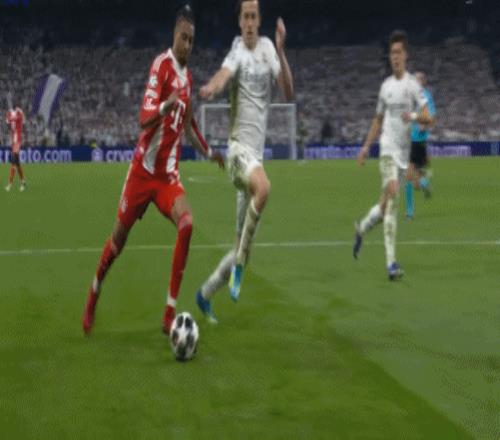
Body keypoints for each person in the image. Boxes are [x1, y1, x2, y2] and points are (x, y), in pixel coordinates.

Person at [82, 5, 224, 336]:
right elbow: (143, 119)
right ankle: (93, 295)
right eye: (183, 38)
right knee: (117, 243)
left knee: (187, 224)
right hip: (142, 173)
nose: (187, 45)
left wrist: (210, 151)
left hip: (167, 179)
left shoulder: (188, 79)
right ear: (174, 35)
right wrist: (165, 105)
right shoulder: (161, 66)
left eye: (191, 40)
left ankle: (169, 313)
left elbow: (189, 126)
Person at [195, 0, 294, 322]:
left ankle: (204, 294)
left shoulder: (268, 49)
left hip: (255, 158)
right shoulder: (237, 49)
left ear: (259, 20)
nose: (250, 22)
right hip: (238, 153)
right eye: (245, 17)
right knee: (264, 189)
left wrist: (281, 50)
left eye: (254, 16)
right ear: (239, 22)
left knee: (243, 247)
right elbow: (223, 75)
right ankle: (238, 266)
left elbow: (288, 94)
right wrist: (211, 88)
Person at [353, 30, 433, 280]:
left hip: (403, 153)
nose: (395, 57)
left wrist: (414, 116)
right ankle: (391, 264)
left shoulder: (413, 86)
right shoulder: (385, 87)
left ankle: (362, 228)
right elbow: (378, 120)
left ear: (406, 55)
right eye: (392, 53)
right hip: (387, 150)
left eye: (399, 52)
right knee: (394, 197)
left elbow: (429, 117)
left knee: (384, 204)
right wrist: (366, 147)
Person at [405, 71, 436, 218]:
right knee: (415, 181)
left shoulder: (426, 97)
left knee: (408, 176)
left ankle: (410, 212)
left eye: (416, 79)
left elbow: (430, 116)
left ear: (422, 82)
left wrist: (422, 125)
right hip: (409, 139)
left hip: (417, 141)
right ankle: (424, 184)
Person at [5, 104, 26, 192]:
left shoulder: (19, 112)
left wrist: (14, 116)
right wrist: (11, 117)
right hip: (14, 141)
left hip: (18, 140)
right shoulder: (10, 112)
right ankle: (23, 182)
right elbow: (7, 121)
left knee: (13, 161)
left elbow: (22, 120)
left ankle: (10, 184)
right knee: (17, 163)